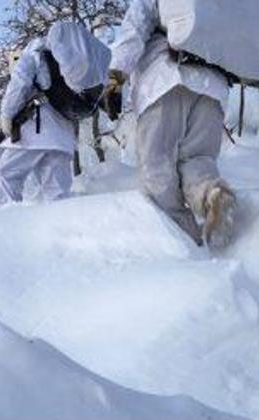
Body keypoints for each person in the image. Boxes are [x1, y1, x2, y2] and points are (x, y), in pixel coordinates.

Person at [107, 0, 237, 247]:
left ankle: (184, 244)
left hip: (166, 79)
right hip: (213, 87)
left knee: (157, 169)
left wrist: (115, 76)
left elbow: (135, 26)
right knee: (198, 159)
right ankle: (211, 193)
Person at [0, 21, 109, 204]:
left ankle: (3, 224)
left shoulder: (34, 53)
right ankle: (62, 231)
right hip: (63, 138)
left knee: (6, 175)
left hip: (35, 132)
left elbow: (19, 84)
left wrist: (6, 115)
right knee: (57, 194)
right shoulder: (71, 62)